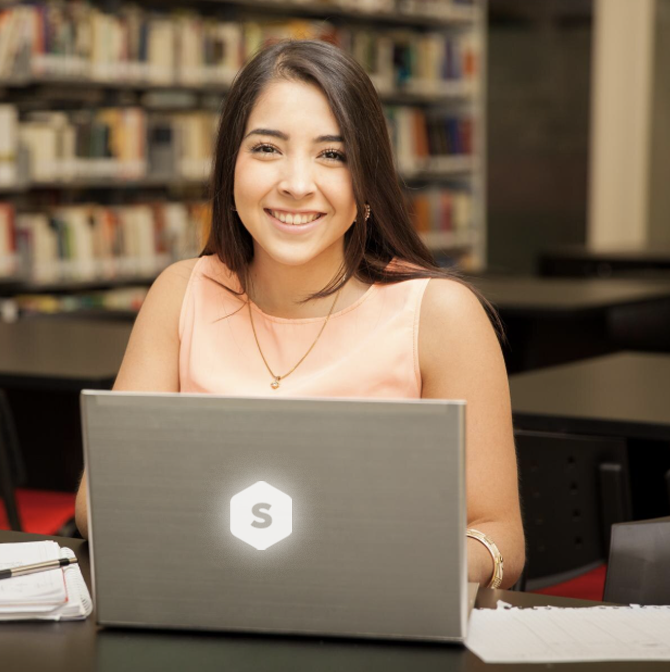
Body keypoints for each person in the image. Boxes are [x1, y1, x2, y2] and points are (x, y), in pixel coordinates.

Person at [76, 39, 524, 589]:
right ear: (230, 170)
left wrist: (432, 568)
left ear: (366, 191)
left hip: (376, 611)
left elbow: (497, 532)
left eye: (332, 155)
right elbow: (96, 504)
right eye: (266, 149)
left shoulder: (441, 316)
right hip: (206, 603)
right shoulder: (179, 293)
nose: (295, 183)